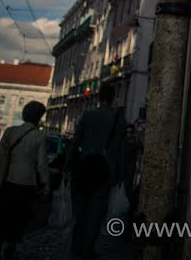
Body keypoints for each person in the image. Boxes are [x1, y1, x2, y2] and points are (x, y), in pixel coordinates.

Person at [64, 82, 123, 260]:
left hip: (84, 167)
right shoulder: (118, 119)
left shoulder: (88, 115)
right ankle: (88, 248)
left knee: (80, 210)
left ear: (99, 97)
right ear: (113, 98)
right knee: (96, 212)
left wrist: (68, 166)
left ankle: (76, 246)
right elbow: (119, 149)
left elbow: (75, 143)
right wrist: (117, 175)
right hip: (104, 170)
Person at [0, 101, 49, 260]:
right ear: (39, 118)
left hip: (5, 179)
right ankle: (11, 247)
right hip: (26, 182)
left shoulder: (10, 131)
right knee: (18, 217)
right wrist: (46, 183)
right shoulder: (39, 136)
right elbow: (41, 164)